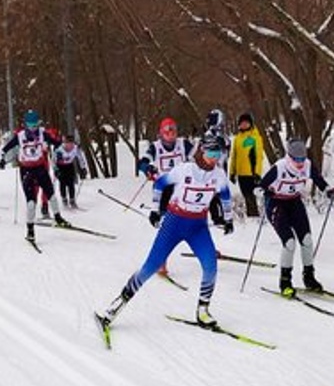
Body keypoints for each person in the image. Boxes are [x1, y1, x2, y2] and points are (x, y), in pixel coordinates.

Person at [96, 132, 234, 332]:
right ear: (202, 150)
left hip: (198, 226)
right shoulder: (185, 170)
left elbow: (226, 196)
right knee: (150, 268)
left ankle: (203, 311)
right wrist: (154, 210)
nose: (214, 157)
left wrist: (228, 219)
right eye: (210, 151)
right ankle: (116, 305)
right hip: (174, 223)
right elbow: (160, 184)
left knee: (210, 266)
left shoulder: (219, 175)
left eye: (218, 153)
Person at [259, 138, 334, 297]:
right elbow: (259, 187)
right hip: (276, 204)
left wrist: (329, 191)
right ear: (289, 157)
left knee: (307, 240)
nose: (300, 163)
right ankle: (285, 282)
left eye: (302, 158)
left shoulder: (308, 165)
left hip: (294, 203)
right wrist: (264, 192)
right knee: (289, 243)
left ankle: (309, 277)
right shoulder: (279, 167)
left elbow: (320, 182)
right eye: (296, 159)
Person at [0, 109, 69, 242]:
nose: (33, 129)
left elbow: (57, 144)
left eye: (35, 125)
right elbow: (6, 148)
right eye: (30, 126)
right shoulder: (20, 136)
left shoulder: (43, 134)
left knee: (52, 195)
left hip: (40, 168)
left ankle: (58, 218)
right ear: (26, 125)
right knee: (31, 203)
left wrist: (59, 151)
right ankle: (30, 231)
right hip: (26, 171)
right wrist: (3, 160)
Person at [229, 112, 267, 218]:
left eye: (246, 123)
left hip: (251, 173)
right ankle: (251, 215)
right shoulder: (237, 139)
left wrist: (257, 172)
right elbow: (234, 157)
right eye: (242, 123)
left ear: (250, 123)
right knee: (246, 195)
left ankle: (255, 216)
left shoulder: (255, 137)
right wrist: (232, 172)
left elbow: (259, 156)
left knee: (252, 196)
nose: (244, 125)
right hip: (241, 173)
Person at [53, 132, 89, 210]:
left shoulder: (75, 148)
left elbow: (80, 158)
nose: (70, 146)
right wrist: (56, 170)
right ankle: (64, 199)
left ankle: (72, 200)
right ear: (64, 143)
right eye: (68, 143)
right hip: (60, 167)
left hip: (69, 166)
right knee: (63, 183)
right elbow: (54, 161)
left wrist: (83, 168)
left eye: (71, 143)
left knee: (70, 183)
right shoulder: (59, 149)